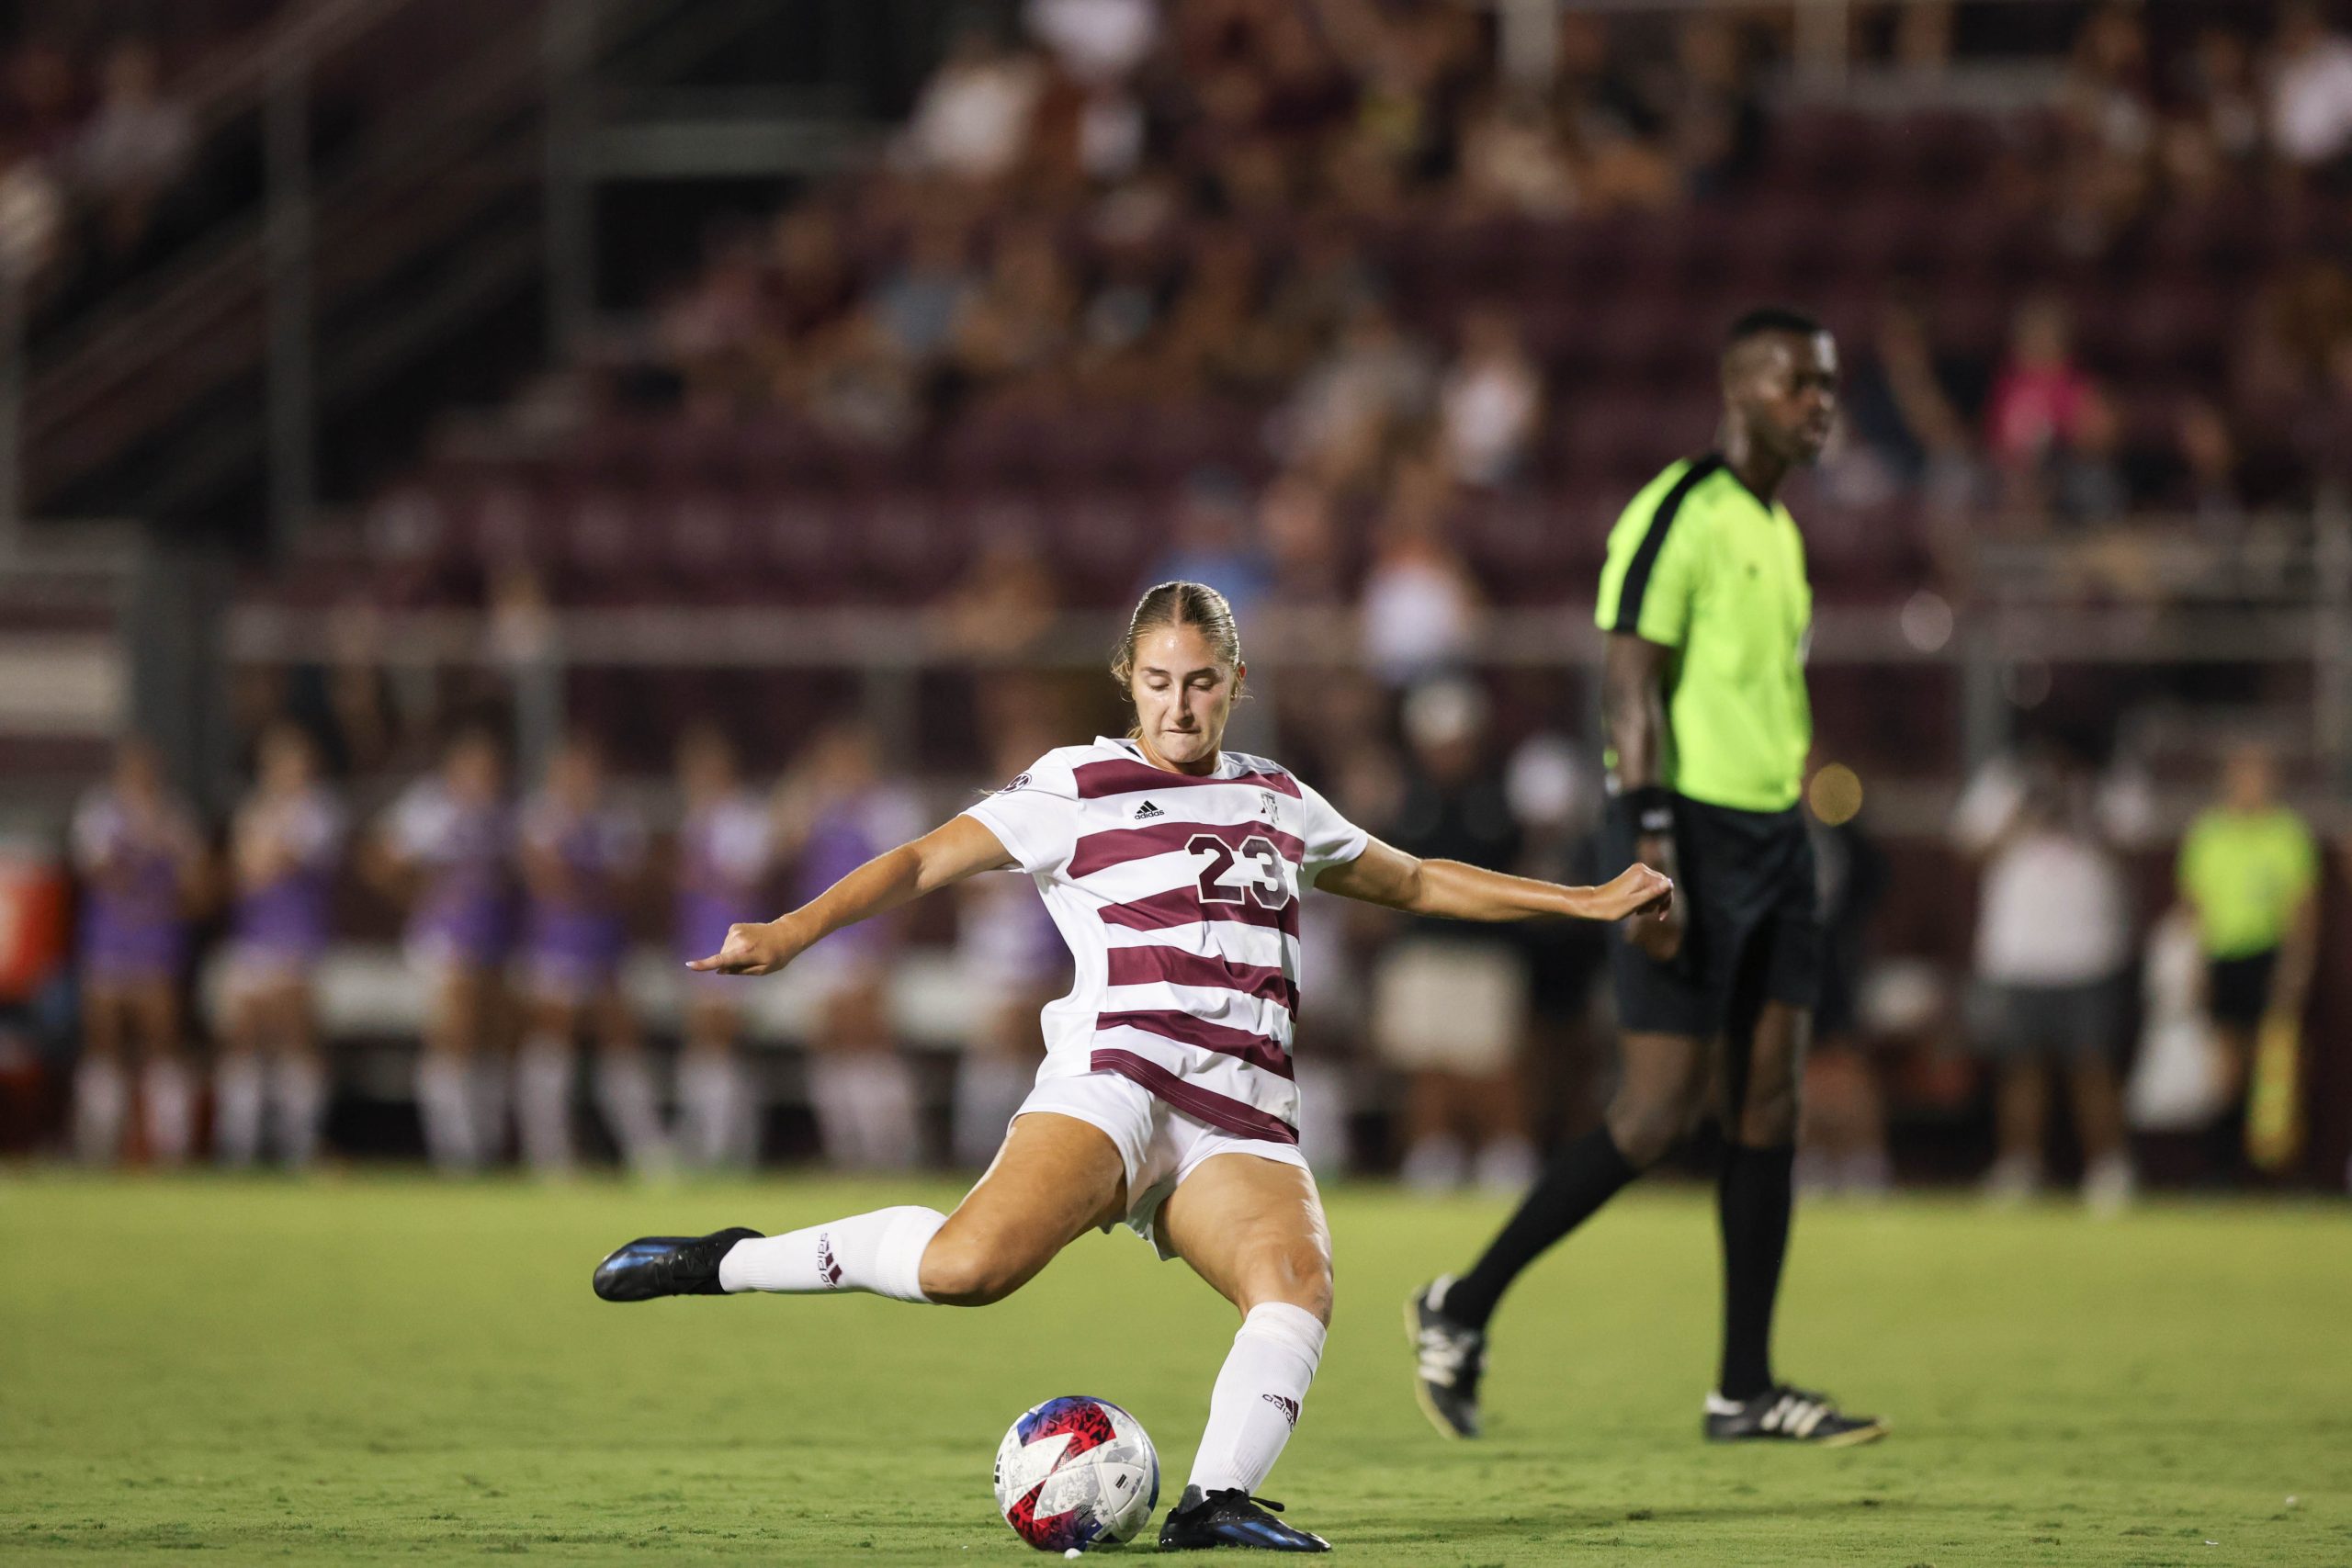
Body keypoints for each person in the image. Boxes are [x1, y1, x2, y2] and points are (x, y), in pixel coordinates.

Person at [591, 581, 1669, 1553]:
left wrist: (1582, 902)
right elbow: (924, 857)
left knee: (1294, 1287)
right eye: (1158, 683)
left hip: (1241, 1113)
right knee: (966, 1272)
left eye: (1201, 684)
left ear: (1236, 683)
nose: (1180, 707)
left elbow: (1420, 881)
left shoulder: (1280, 799)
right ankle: (726, 1260)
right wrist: (790, 930)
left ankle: (1211, 1503)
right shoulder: (1074, 784)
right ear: (1129, 682)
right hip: (1120, 1083)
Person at [1408, 307, 1887, 1447]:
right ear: (1740, 390)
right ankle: (1460, 1304)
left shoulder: (1780, 529)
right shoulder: (1679, 512)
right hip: (1691, 842)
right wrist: (1652, 846)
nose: (1818, 404)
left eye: (1826, 386)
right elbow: (1628, 685)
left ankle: (1744, 1387)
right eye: (1797, 385)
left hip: (1775, 842)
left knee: (1771, 1100)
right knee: (1659, 1114)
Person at [1951, 743, 2139, 1212]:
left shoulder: (2110, 781)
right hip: (2018, 953)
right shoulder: (2004, 778)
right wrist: (2024, 812)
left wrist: (2081, 810)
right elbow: (1970, 850)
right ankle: (2020, 1165)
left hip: (2089, 951)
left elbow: (2134, 847)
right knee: (2020, 1066)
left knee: (2093, 1065)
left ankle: (2109, 1167)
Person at [773, 723, 927, 1169]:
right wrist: (806, 785)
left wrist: (884, 949)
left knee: (869, 1039)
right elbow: (781, 841)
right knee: (829, 1040)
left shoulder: (891, 807)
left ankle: (896, 1148)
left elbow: (909, 883)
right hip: (823, 944)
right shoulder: (819, 804)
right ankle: (848, 1149)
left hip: (867, 941)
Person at [514, 733, 664, 1175]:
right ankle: (549, 1155)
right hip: (555, 947)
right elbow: (548, 882)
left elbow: (630, 887)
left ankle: (646, 1151)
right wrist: (591, 885)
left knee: (620, 1039)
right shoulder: (540, 817)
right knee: (552, 1038)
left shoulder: (616, 822)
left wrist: (582, 883)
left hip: (605, 947)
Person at [371, 728, 514, 1172]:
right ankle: (455, 1152)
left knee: (490, 1035)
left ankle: (487, 1145)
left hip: (491, 938)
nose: (484, 776)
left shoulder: (501, 814)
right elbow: (379, 859)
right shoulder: (431, 807)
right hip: (442, 937)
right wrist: (421, 893)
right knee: (454, 1031)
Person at [2174, 741, 2320, 1175]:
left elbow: (2303, 909)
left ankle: (2281, 1173)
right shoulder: (2207, 834)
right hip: (2223, 955)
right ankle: (2223, 1174)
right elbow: (2193, 910)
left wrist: (2296, 967)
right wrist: (2193, 966)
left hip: (2269, 956)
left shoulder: (2288, 834)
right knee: (2225, 1070)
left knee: (2277, 1069)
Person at [213, 722, 346, 1168]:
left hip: (298, 938)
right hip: (252, 937)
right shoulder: (253, 809)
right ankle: (239, 1146)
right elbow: (240, 873)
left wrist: (259, 857)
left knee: (297, 1038)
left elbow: (273, 863)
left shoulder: (322, 811)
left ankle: (299, 1144)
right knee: (243, 1039)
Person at [70, 737, 207, 1164]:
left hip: (156, 941)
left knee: (163, 1041)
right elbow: (95, 871)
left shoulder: (176, 816)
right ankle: (95, 1146)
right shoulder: (99, 814)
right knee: (103, 1042)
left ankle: (171, 1147)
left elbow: (198, 884)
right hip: (109, 939)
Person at [672, 724, 774, 1170]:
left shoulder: (742, 818)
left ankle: (725, 1150)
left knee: (719, 1039)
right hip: (699, 940)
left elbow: (750, 882)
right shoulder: (698, 818)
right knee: (706, 1043)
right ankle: (709, 1144)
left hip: (733, 943)